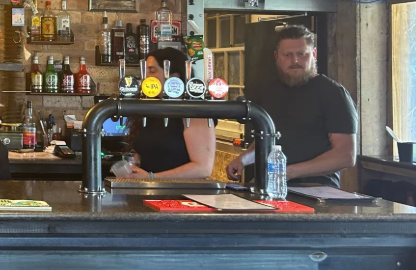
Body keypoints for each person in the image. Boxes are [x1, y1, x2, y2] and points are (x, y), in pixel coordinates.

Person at [227, 25, 357, 188]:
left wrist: (290, 172)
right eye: (288, 55)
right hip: (272, 184)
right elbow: (269, 138)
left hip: (317, 188)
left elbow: (345, 155)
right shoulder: (270, 91)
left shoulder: (333, 93)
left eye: (302, 54)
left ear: (314, 55)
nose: (295, 60)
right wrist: (243, 159)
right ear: (277, 57)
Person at [127, 47, 216, 180]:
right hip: (150, 191)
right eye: (145, 72)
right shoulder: (152, 108)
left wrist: (151, 177)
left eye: (152, 71)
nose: (146, 78)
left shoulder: (195, 111)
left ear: (174, 76)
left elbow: (202, 168)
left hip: (181, 194)